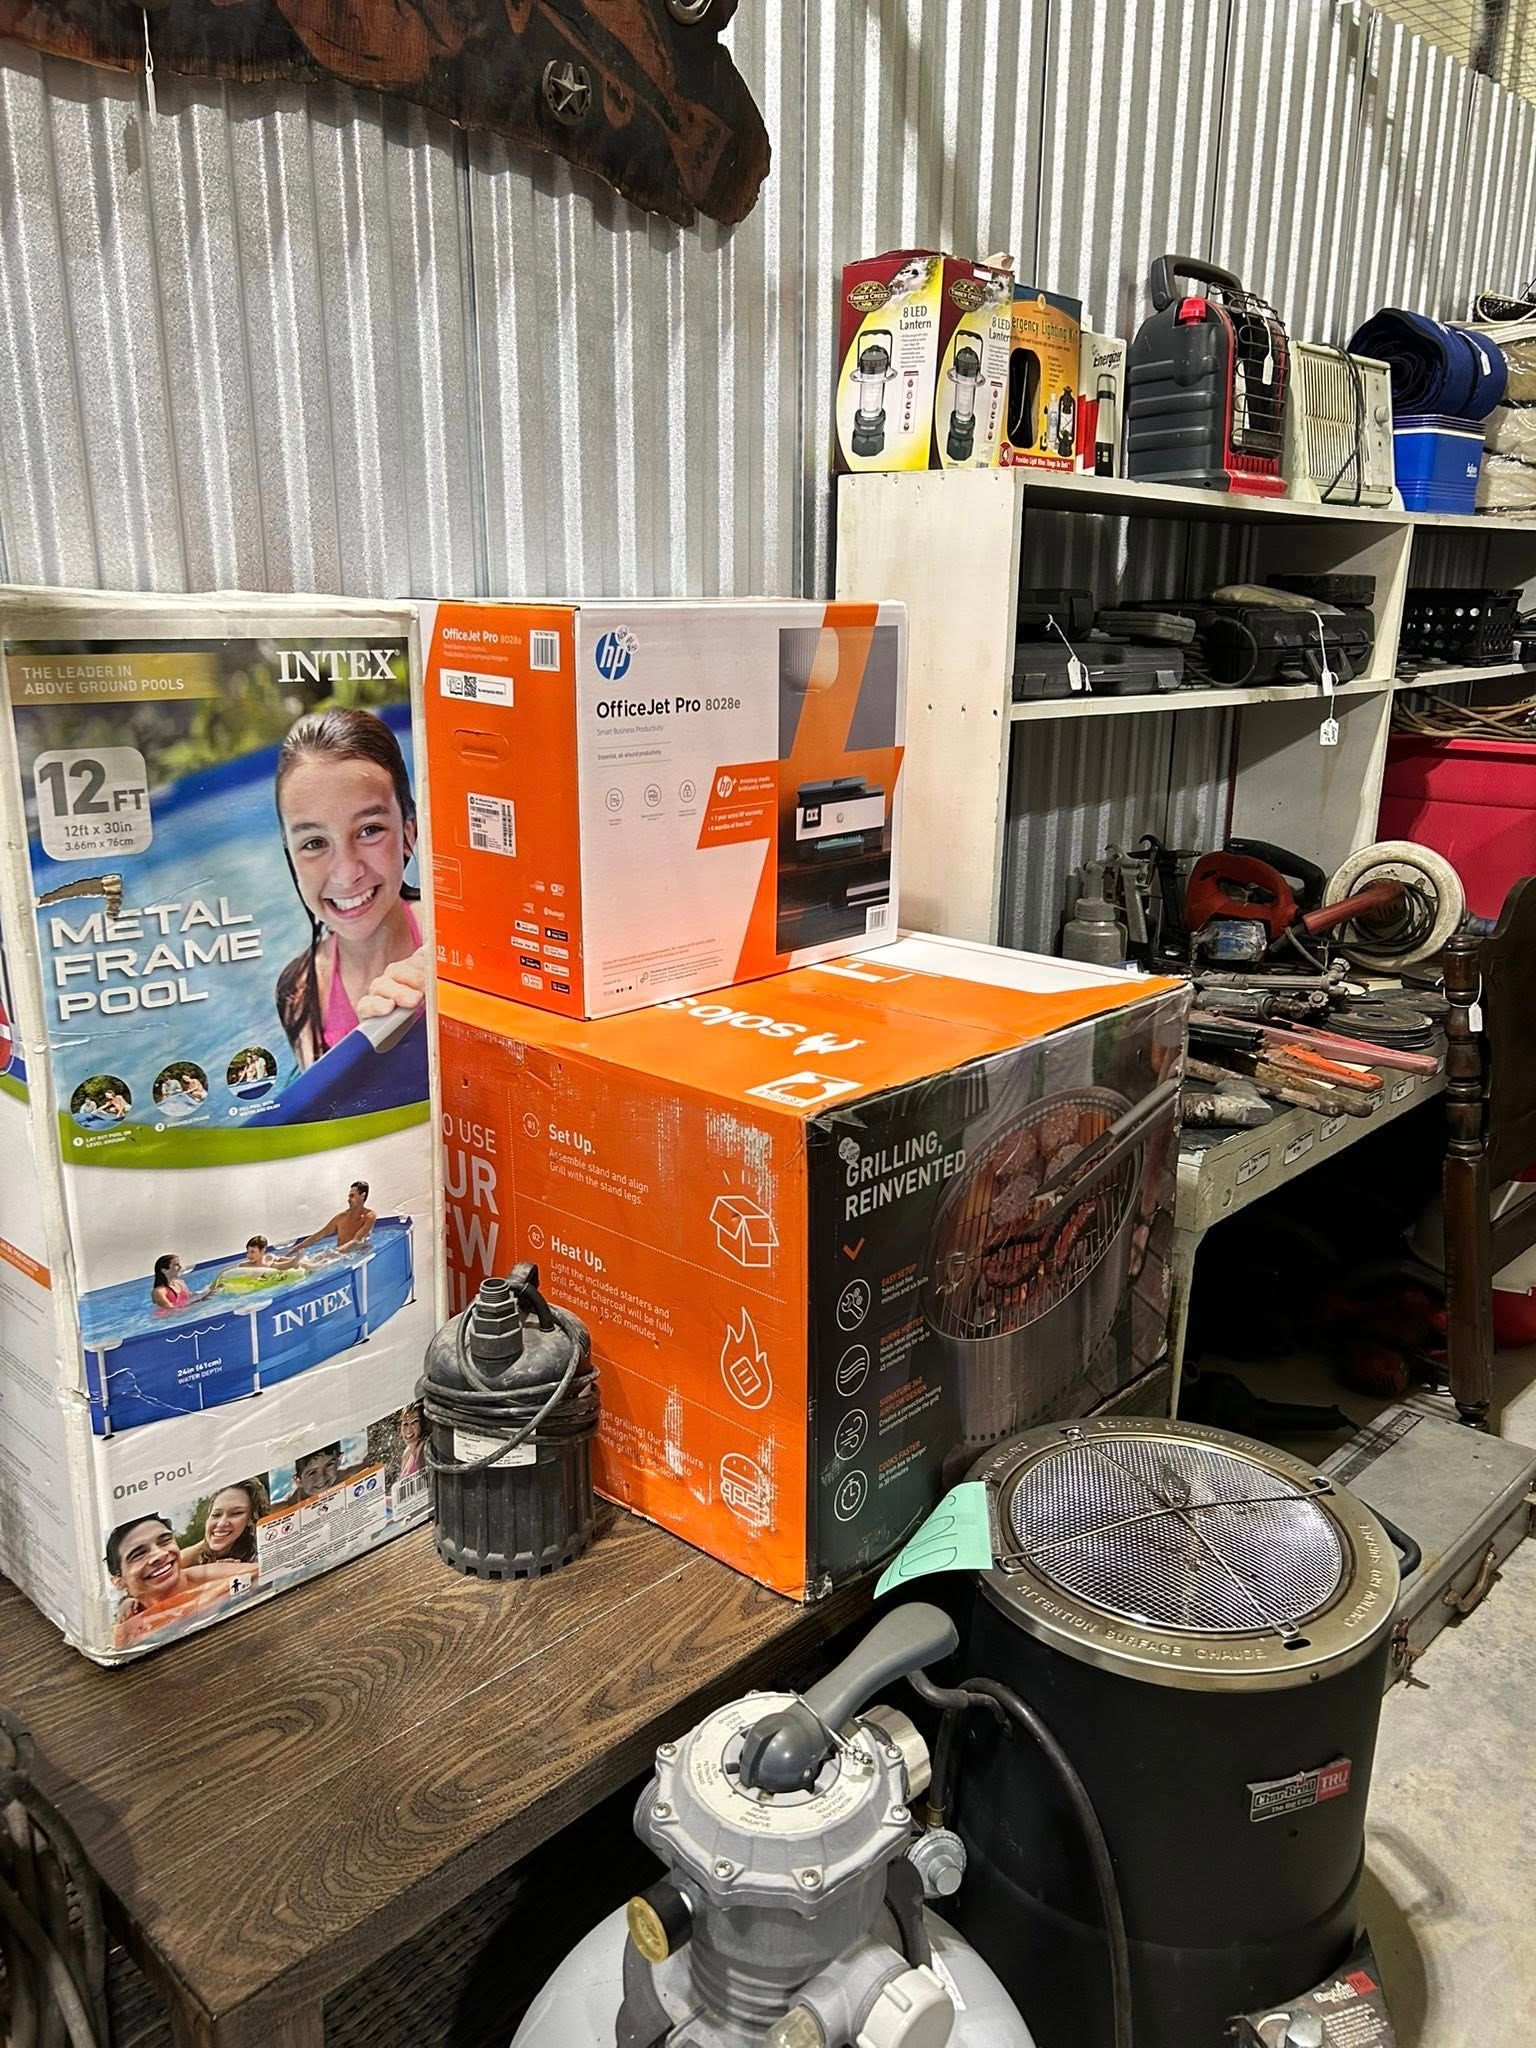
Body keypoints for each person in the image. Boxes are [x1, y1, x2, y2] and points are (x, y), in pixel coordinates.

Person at [274, 706, 426, 1069]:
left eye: (369, 830)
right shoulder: (302, 990)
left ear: (409, 833)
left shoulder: (453, 943)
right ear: (291, 858)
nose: (346, 873)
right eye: (314, 843)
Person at [107, 1515, 251, 1650]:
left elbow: (267, 1574)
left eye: (165, 1541)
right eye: (138, 1554)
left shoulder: (222, 1580)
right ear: (118, 1581)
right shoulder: (126, 1627)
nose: (160, 1554)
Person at [181, 1480, 268, 1567]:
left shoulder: (258, 1551)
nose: (221, 1523)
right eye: (216, 1515)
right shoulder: (193, 1554)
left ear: (251, 1519)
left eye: (236, 1513)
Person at [282, 1181, 375, 1261]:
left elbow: (356, 1240)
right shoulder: (341, 1217)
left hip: (356, 1256)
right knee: (309, 1261)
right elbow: (319, 1235)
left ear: (362, 1196)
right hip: (339, 1256)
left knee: (319, 1260)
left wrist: (333, 1253)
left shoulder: (370, 1215)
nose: (348, 1199)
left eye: (352, 1196)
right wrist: (292, 1251)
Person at [151, 1253, 216, 1313]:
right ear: (164, 1270)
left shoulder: (180, 1283)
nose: (180, 1267)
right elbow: (171, 1311)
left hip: (185, 1312)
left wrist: (210, 1289)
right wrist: (200, 1300)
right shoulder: (159, 1292)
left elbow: (190, 1297)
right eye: (176, 1265)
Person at [396, 1403, 427, 1481]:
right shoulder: (407, 1453)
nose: (409, 1430)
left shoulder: (423, 1449)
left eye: (415, 1422)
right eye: (405, 1424)